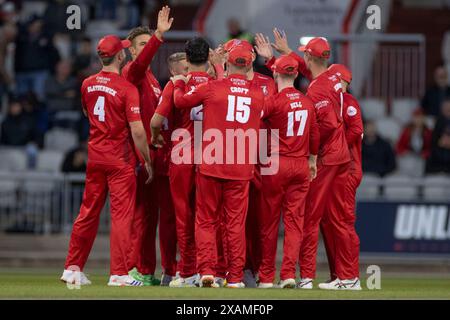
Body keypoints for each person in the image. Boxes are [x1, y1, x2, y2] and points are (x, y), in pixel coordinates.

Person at [256, 31, 359, 290]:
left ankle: (307, 277)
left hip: (323, 158)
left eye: (304, 53)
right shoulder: (334, 73)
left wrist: (310, 152)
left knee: (310, 219)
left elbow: (319, 127)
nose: (301, 56)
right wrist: (284, 54)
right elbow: (303, 70)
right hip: (338, 157)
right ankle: (342, 276)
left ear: (310, 57)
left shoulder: (317, 90)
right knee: (335, 218)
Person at [61, 34, 152, 287]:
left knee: (87, 213)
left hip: (95, 156)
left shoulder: (87, 83)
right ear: (121, 56)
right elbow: (137, 131)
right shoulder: (126, 88)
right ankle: (119, 273)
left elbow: (87, 112)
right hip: (119, 159)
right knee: (121, 217)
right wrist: (147, 159)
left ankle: (72, 268)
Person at [171, 45, 265, 288]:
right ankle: (234, 278)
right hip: (241, 166)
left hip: (212, 163)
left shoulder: (213, 87)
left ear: (229, 62)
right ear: (248, 64)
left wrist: (180, 81)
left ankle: (206, 271)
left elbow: (181, 102)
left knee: (206, 221)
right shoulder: (258, 93)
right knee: (235, 224)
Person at [151, 37, 218, 288]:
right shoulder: (219, 85)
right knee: (210, 217)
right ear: (208, 58)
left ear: (187, 60)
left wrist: (156, 138)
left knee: (183, 217)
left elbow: (156, 122)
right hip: (212, 156)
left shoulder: (175, 84)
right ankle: (212, 269)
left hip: (181, 156)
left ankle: (186, 272)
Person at [121, 5, 174, 286]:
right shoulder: (133, 71)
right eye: (140, 45)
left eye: (147, 44)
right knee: (140, 216)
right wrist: (158, 36)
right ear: (130, 50)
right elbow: (141, 64)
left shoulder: (153, 80)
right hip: (138, 155)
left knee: (151, 217)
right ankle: (130, 267)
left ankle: (145, 270)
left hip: (154, 154)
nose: (145, 49)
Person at [256, 55, 319, 289]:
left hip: (276, 163)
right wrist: (312, 160)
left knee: (270, 223)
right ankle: (289, 274)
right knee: (294, 224)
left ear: (275, 74)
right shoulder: (307, 102)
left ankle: (265, 278)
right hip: (301, 165)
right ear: (295, 75)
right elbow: (315, 135)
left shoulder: (274, 101)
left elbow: (255, 119)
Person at [222, 38, 276, 288]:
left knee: (260, 220)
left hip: (262, 157)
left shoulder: (267, 82)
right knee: (232, 218)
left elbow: (277, 115)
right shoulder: (223, 82)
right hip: (234, 156)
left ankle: (258, 270)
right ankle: (235, 268)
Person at [322, 63, 363, 285]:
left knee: (344, 222)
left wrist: (336, 147)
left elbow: (356, 129)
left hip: (348, 168)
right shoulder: (335, 102)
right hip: (338, 168)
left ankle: (350, 277)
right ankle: (339, 275)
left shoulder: (348, 102)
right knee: (332, 222)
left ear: (340, 81)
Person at [426, 98, 450, 173]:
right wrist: (440, 142)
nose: (447, 110)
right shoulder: (439, 121)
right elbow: (434, 139)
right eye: (445, 108)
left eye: (448, 108)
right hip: (440, 151)